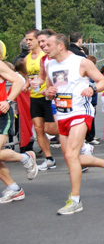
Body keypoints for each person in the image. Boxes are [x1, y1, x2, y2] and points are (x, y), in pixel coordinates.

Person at [44, 34, 104, 214]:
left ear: (60, 46)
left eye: (48, 45)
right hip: (63, 114)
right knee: (72, 158)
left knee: (72, 154)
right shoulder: (50, 65)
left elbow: (103, 81)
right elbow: (49, 90)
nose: (45, 48)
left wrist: (92, 88)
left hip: (81, 112)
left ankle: (75, 200)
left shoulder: (81, 62)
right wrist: (49, 92)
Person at [0, 60, 38, 204]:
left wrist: (8, 101)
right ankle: (14, 189)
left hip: (1, 115)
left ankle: (25, 158)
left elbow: (19, 80)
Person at [25, 29, 57, 170]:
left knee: (51, 129)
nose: (28, 42)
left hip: (48, 97)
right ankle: (49, 158)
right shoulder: (27, 58)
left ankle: (81, 145)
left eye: (30, 39)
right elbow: (28, 77)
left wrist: (48, 88)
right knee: (38, 129)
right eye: (27, 40)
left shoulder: (47, 56)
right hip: (34, 97)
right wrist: (26, 85)